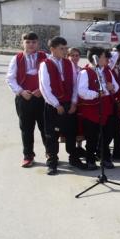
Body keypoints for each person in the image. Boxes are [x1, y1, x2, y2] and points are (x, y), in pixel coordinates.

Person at [38, 36, 84, 175]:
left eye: (65, 48)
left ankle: (74, 158)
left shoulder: (68, 63)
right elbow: (44, 87)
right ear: (52, 49)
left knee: (71, 132)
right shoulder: (45, 64)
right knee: (52, 134)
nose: (65, 51)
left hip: (69, 104)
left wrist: (74, 102)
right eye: (61, 49)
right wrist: (56, 104)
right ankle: (52, 161)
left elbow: (75, 84)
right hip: (54, 105)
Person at [5, 32, 48, 167]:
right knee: (26, 128)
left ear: (38, 43)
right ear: (22, 43)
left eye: (33, 42)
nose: (30, 45)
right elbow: (10, 78)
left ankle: (50, 153)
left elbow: (51, 77)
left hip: (43, 98)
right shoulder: (16, 59)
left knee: (45, 127)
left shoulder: (45, 57)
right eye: (27, 42)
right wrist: (21, 91)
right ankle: (28, 155)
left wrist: (42, 90)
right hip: (24, 98)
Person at [77, 47, 119, 170]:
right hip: (92, 108)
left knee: (107, 134)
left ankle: (104, 157)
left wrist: (112, 88)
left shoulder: (107, 71)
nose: (106, 59)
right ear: (96, 58)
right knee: (92, 136)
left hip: (107, 107)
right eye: (103, 56)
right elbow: (82, 91)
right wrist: (96, 94)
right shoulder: (85, 72)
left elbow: (115, 87)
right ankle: (90, 159)